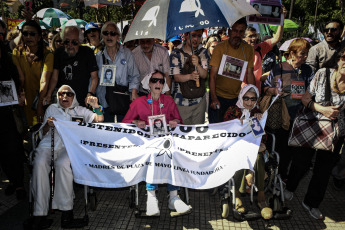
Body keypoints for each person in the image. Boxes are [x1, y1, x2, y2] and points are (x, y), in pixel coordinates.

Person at [30, 85, 104, 229]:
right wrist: (48, 125)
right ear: (57, 96)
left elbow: (99, 120)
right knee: (39, 163)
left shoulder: (80, 110)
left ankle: (66, 213)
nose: (65, 97)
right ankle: (39, 214)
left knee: (62, 164)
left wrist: (97, 107)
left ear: (73, 96)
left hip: (69, 146)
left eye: (68, 94)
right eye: (61, 94)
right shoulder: (51, 108)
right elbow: (43, 131)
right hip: (48, 144)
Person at [283, 48, 345, 220]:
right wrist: (322, 109)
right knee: (301, 162)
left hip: (335, 133)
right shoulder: (323, 74)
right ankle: (290, 188)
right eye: (344, 57)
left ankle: (312, 203)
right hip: (312, 126)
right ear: (339, 59)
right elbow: (305, 98)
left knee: (323, 171)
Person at [122, 71, 191, 216]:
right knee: (153, 154)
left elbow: (179, 121)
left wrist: (175, 122)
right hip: (146, 142)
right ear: (149, 83)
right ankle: (152, 197)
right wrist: (135, 122)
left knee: (173, 153)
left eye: (161, 81)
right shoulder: (138, 102)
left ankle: (173, 196)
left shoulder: (169, 101)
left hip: (166, 139)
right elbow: (125, 122)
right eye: (155, 81)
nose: (158, 84)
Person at [263, 38, 314, 180]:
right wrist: (274, 90)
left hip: (300, 117)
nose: (304, 57)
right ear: (292, 53)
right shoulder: (279, 67)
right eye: (301, 53)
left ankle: (283, 177)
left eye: (306, 54)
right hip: (280, 116)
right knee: (278, 147)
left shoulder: (308, 70)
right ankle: (272, 174)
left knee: (292, 151)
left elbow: (313, 90)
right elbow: (265, 87)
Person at [223, 84, 273, 220]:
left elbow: (263, 137)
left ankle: (261, 198)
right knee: (241, 156)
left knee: (257, 157)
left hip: (253, 150)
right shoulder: (233, 111)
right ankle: (237, 196)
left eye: (253, 99)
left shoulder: (257, 113)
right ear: (241, 97)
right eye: (246, 98)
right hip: (234, 149)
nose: (249, 102)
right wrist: (235, 123)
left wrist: (258, 121)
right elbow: (224, 131)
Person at [209, 17, 255, 124]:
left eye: (241, 31)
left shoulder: (248, 49)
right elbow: (212, 76)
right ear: (229, 31)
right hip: (218, 96)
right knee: (216, 131)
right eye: (235, 31)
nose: (237, 34)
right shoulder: (220, 48)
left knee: (233, 132)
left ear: (244, 33)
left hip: (236, 99)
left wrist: (253, 97)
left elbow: (249, 74)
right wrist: (214, 98)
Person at [95, 21, 140, 122]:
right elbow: (94, 79)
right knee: (106, 132)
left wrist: (134, 92)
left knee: (124, 131)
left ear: (118, 36)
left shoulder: (127, 53)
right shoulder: (98, 57)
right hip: (104, 100)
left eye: (113, 33)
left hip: (122, 100)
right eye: (106, 33)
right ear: (102, 36)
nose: (109, 36)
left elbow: (135, 75)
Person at [12, 20, 54, 126]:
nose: (28, 37)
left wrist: (39, 106)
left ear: (39, 37)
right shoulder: (17, 53)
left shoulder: (48, 56)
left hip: (40, 103)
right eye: (25, 33)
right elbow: (20, 78)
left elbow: (44, 81)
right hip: (22, 103)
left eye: (32, 34)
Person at [45, 26, 98, 107]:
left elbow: (94, 77)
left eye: (74, 42)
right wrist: (49, 94)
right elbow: (54, 78)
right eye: (66, 42)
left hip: (82, 100)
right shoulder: (58, 53)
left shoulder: (87, 52)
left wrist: (90, 94)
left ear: (80, 41)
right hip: (63, 100)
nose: (70, 45)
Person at [0, 39, 26, 200]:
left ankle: (19, 184)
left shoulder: (8, 64)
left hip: (9, 114)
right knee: (3, 153)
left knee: (14, 149)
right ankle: (11, 180)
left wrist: (20, 95)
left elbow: (18, 83)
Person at [243, 6, 286, 93]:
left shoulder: (259, 48)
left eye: (255, 35)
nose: (254, 38)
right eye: (250, 36)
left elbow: (276, 39)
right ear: (243, 38)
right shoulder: (237, 50)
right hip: (240, 93)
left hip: (256, 93)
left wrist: (282, 19)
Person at [170, 29, 209, 125]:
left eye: (199, 36)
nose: (196, 39)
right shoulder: (176, 53)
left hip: (199, 101)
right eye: (193, 35)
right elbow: (176, 77)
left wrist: (198, 65)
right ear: (186, 35)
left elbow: (204, 75)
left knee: (197, 134)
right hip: (181, 102)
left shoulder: (203, 52)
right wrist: (190, 77)